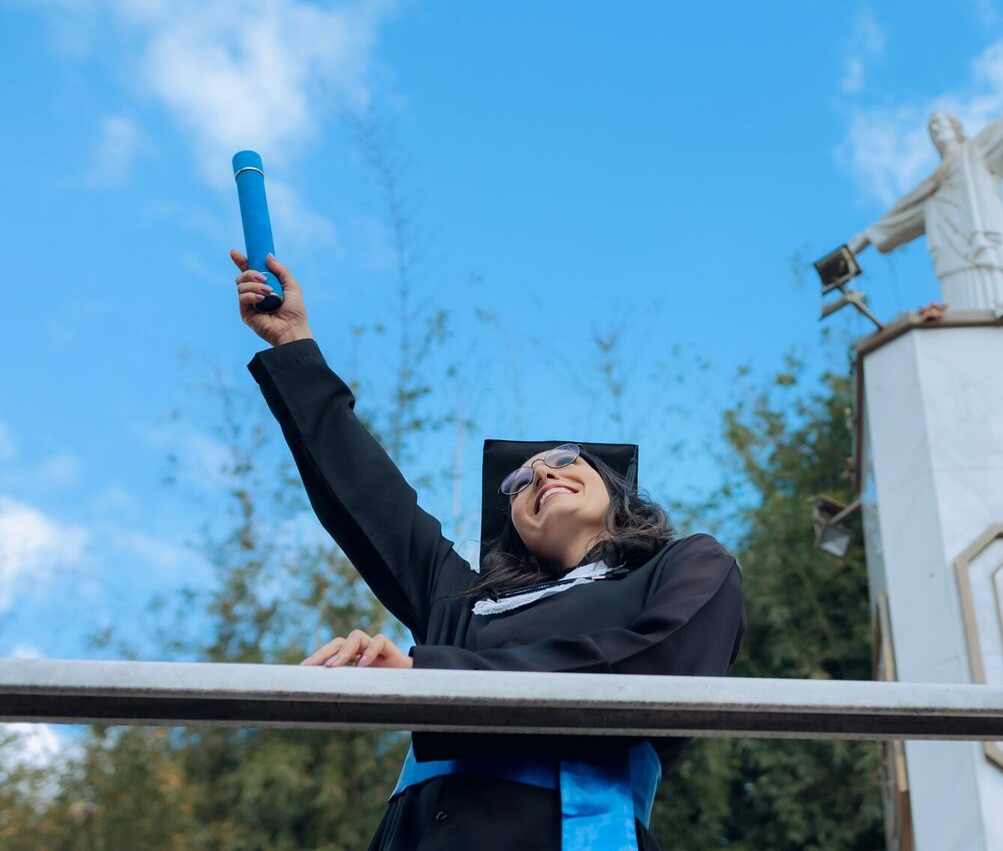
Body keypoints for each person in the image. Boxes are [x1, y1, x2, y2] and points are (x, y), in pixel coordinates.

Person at [229, 249, 746, 851]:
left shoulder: (686, 565)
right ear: (515, 526)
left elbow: (651, 668)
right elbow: (373, 504)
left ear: (613, 486)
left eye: (560, 460)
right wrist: (293, 343)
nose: (541, 476)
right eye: (520, 482)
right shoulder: (467, 608)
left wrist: (431, 677)